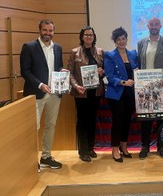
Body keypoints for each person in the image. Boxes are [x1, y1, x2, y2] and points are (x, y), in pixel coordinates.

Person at [20, 19, 65, 169]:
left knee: (50, 126)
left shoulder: (57, 48)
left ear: (54, 31)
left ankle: (46, 157)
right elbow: (25, 71)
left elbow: (58, 67)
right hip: (36, 93)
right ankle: (32, 162)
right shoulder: (29, 47)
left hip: (54, 94)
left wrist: (62, 71)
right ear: (40, 30)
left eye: (50, 31)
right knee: (35, 127)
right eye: (45, 30)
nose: (48, 33)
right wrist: (40, 85)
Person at [137, 18, 163, 160]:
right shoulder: (141, 43)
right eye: (151, 24)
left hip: (160, 87)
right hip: (145, 86)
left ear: (160, 26)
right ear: (148, 26)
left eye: (156, 24)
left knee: (161, 118)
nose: (154, 27)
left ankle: (161, 146)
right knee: (145, 118)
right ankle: (145, 146)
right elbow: (139, 63)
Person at [67, 26, 105, 162]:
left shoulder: (100, 52)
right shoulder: (74, 52)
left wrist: (102, 72)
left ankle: (90, 148)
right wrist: (76, 86)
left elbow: (104, 70)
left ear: (94, 37)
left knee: (92, 120)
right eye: (86, 35)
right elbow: (70, 72)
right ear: (82, 37)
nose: (89, 37)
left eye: (91, 35)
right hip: (81, 93)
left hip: (95, 92)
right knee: (82, 121)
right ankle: (82, 151)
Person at [104, 27, 138, 163]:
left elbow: (136, 70)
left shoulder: (133, 54)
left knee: (127, 121)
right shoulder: (110, 56)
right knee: (117, 121)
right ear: (115, 41)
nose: (121, 41)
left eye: (123, 38)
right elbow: (110, 76)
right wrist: (123, 82)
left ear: (127, 39)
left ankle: (124, 146)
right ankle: (115, 149)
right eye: (118, 39)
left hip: (130, 93)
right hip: (116, 93)